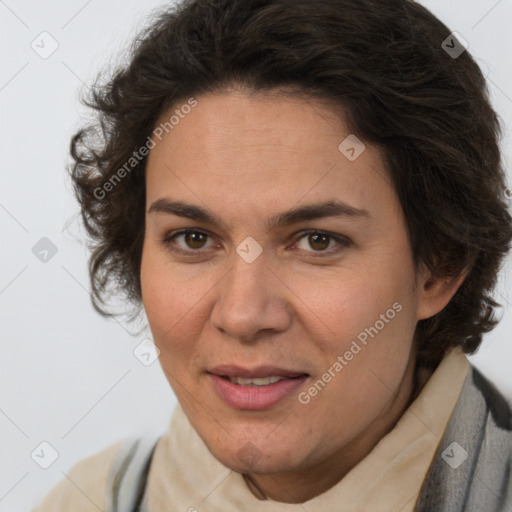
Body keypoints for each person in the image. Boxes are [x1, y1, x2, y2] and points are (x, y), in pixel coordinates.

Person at [33, 0, 512, 510]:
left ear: (439, 265)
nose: (242, 315)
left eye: (317, 241)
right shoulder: (90, 499)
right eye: (193, 238)